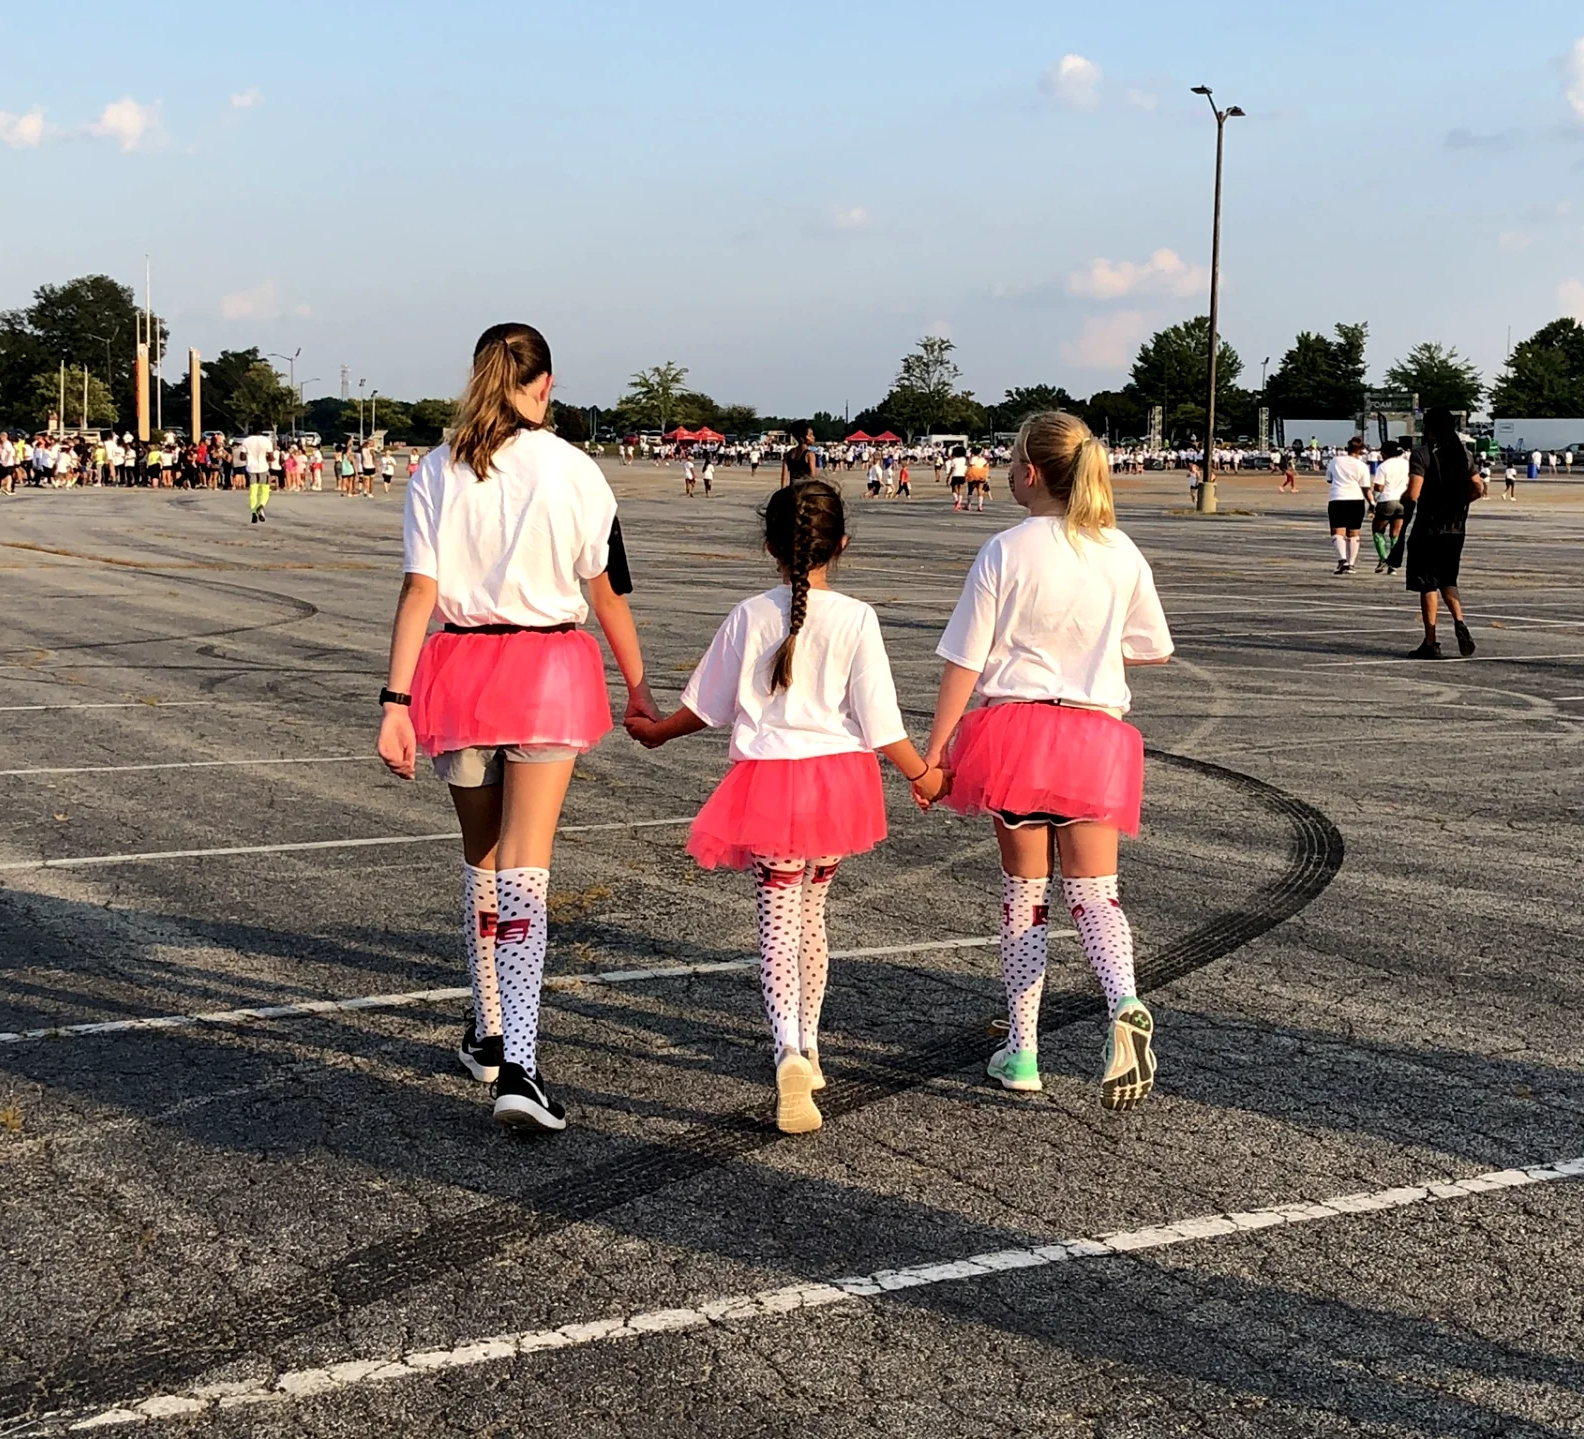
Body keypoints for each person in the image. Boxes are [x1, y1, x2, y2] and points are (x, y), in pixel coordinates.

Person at [378, 323, 656, 1133]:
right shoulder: (575, 469)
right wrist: (639, 687)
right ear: (545, 384)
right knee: (528, 865)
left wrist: (394, 702)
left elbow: (419, 591)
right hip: (547, 671)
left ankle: (489, 1029)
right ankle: (521, 1067)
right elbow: (607, 592)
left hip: (460, 670)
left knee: (484, 858)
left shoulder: (437, 468)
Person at [625, 481, 942, 1133]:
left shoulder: (750, 615)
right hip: (837, 784)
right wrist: (924, 775)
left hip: (769, 784)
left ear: (769, 545)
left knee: (776, 922)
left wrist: (656, 733)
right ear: (841, 545)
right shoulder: (856, 617)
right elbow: (881, 723)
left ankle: (787, 1050)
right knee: (812, 915)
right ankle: (812, 1046)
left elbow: (705, 707)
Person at [921, 411, 1174, 1109]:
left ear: (1030, 473)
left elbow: (964, 660)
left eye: (1010, 462)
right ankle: (1124, 1000)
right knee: (1096, 894)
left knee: (1024, 897)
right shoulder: (1118, 549)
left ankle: (1023, 1050)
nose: (1006, 471)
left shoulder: (1006, 548)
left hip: (1018, 735)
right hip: (1095, 736)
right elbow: (1152, 646)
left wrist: (936, 751)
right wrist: (1087, 650)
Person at [1403, 407, 1485, 659]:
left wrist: (1403, 499)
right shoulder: (1463, 454)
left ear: (1428, 429)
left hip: (1428, 528)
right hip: (1456, 529)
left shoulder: (1422, 454)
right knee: (1448, 579)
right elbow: (1478, 487)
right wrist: (1459, 503)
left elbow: (1414, 493)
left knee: (1427, 583)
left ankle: (1431, 641)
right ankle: (1459, 620)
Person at [1324, 437, 1374, 574]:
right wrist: (1372, 503)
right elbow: (1365, 488)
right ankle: (1351, 563)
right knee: (1354, 532)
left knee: (1337, 531)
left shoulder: (1335, 461)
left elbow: (1329, 479)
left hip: (1338, 498)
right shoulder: (1362, 466)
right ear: (1361, 450)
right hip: (1356, 499)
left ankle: (1342, 560)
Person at [1370, 440, 1409, 574]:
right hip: (1402, 500)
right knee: (1395, 533)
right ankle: (1393, 563)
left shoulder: (1384, 466)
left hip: (1387, 500)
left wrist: (1373, 501)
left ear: (1385, 453)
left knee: (1377, 530)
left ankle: (1383, 558)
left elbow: (1378, 487)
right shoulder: (1406, 464)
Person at [243, 431, 274, 523]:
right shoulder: (266, 441)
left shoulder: (246, 441)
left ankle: (253, 512)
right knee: (265, 490)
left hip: (251, 468)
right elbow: (271, 457)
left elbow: (242, 456)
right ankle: (261, 505)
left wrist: (248, 456)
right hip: (263, 467)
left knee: (253, 491)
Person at [780, 424, 815, 489]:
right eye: (810, 435)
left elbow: (784, 476)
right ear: (802, 438)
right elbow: (813, 476)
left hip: (792, 489)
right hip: (804, 490)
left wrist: (783, 490)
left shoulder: (788, 454)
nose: (813, 437)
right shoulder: (809, 454)